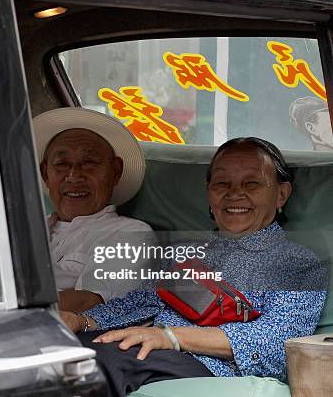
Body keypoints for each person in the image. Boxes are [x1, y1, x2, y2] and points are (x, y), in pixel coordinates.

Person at [61, 137, 327, 396]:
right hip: (144, 349)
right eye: (221, 182)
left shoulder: (298, 264)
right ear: (209, 191)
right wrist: (81, 321)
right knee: (56, 351)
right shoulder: (184, 253)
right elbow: (141, 303)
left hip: (206, 364)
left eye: (252, 183)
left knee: (92, 365)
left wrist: (172, 337)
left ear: (282, 194)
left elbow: (275, 343)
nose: (234, 193)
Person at [33, 107, 155, 312]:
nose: (73, 176)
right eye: (62, 164)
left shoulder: (130, 234)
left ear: (115, 172)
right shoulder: (25, 232)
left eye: (89, 163)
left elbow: (89, 302)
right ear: (45, 173)